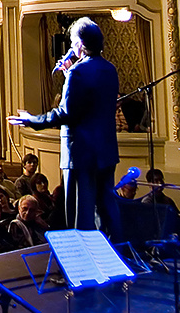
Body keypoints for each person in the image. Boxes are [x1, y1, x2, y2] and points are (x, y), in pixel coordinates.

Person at [10, 17, 120, 238]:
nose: (70, 47)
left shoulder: (78, 73)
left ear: (80, 44)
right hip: (106, 151)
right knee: (107, 209)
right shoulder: (110, 69)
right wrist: (70, 74)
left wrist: (32, 120)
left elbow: (65, 113)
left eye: (72, 42)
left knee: (82, 216)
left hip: (80, 154)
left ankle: (85, 265)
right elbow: (90, 104)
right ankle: (116, 256)